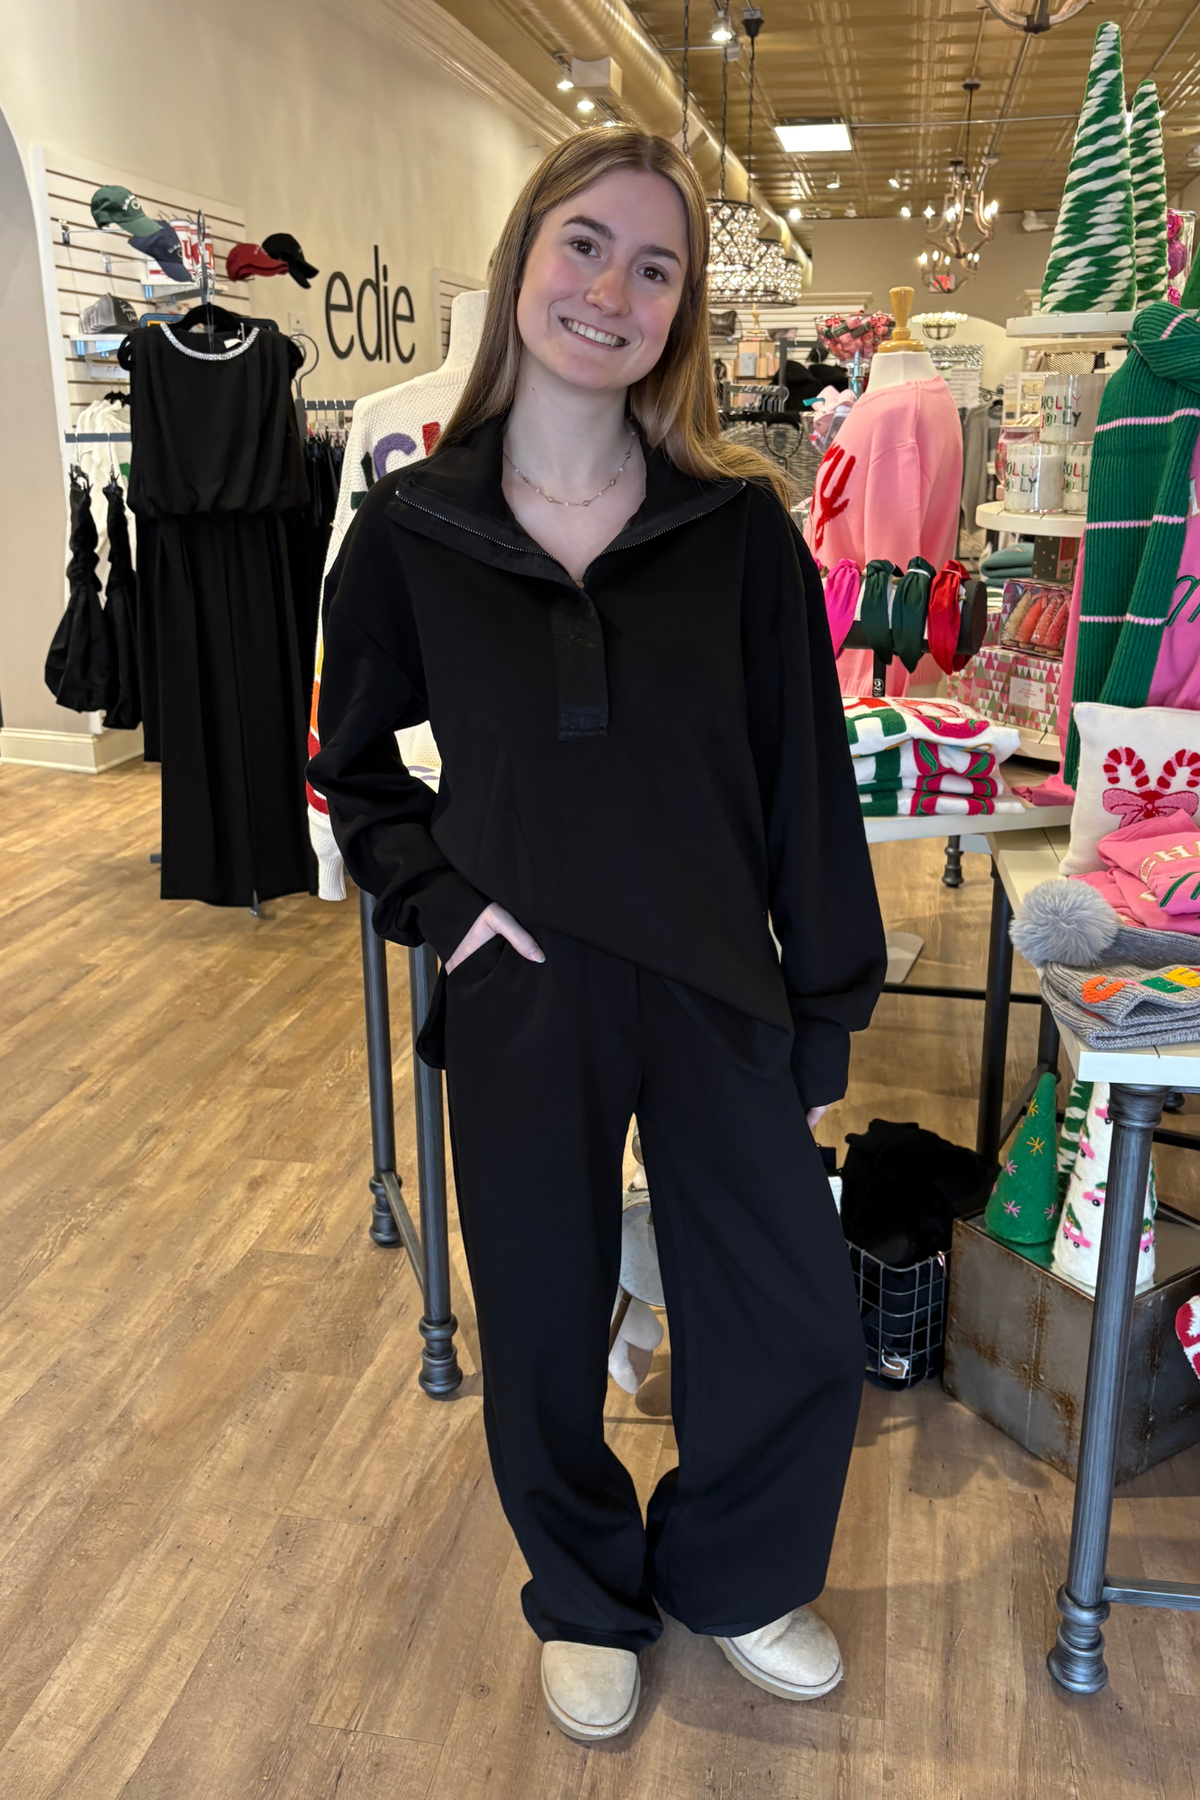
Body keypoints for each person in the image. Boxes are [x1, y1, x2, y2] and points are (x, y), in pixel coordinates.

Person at [309, 128, 886, 1744]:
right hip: (526, 987)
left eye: (654, 267)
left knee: (788, 1316)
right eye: (584, 245)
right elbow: (353, 770)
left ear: (683, 309)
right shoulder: (410, 531)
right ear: (521, 261)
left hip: (715, 976)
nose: (611, 292)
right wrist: (444, 909)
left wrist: (825, 1006)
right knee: (545, 1320)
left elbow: (805, 788)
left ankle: (735, 1571)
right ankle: (582, 1590)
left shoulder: (737, 532)